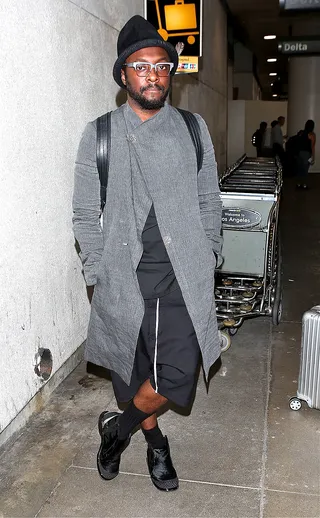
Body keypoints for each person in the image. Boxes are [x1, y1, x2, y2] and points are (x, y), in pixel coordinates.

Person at [72, 15, 223, 492]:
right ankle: (155, 442)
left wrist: (211, 254)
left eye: (161, 66)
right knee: (130, 372)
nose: (153, 74)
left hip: (181, 275)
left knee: (176, 374)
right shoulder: (99, 134)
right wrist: (97, 272)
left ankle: (117, 431)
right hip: (123, 275)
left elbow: (208, 199)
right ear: (123, 75)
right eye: (141, 66)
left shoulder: (193, 129)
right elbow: (83, 213)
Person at [296, 119, 316, 189]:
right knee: (305, 170)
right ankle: (304, 184)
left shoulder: (301, 133)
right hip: (306, 153)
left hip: (299, 153)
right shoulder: (312, 134)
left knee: (300, 169)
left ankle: (298, 184)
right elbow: (312, 146)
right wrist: (313, 157)